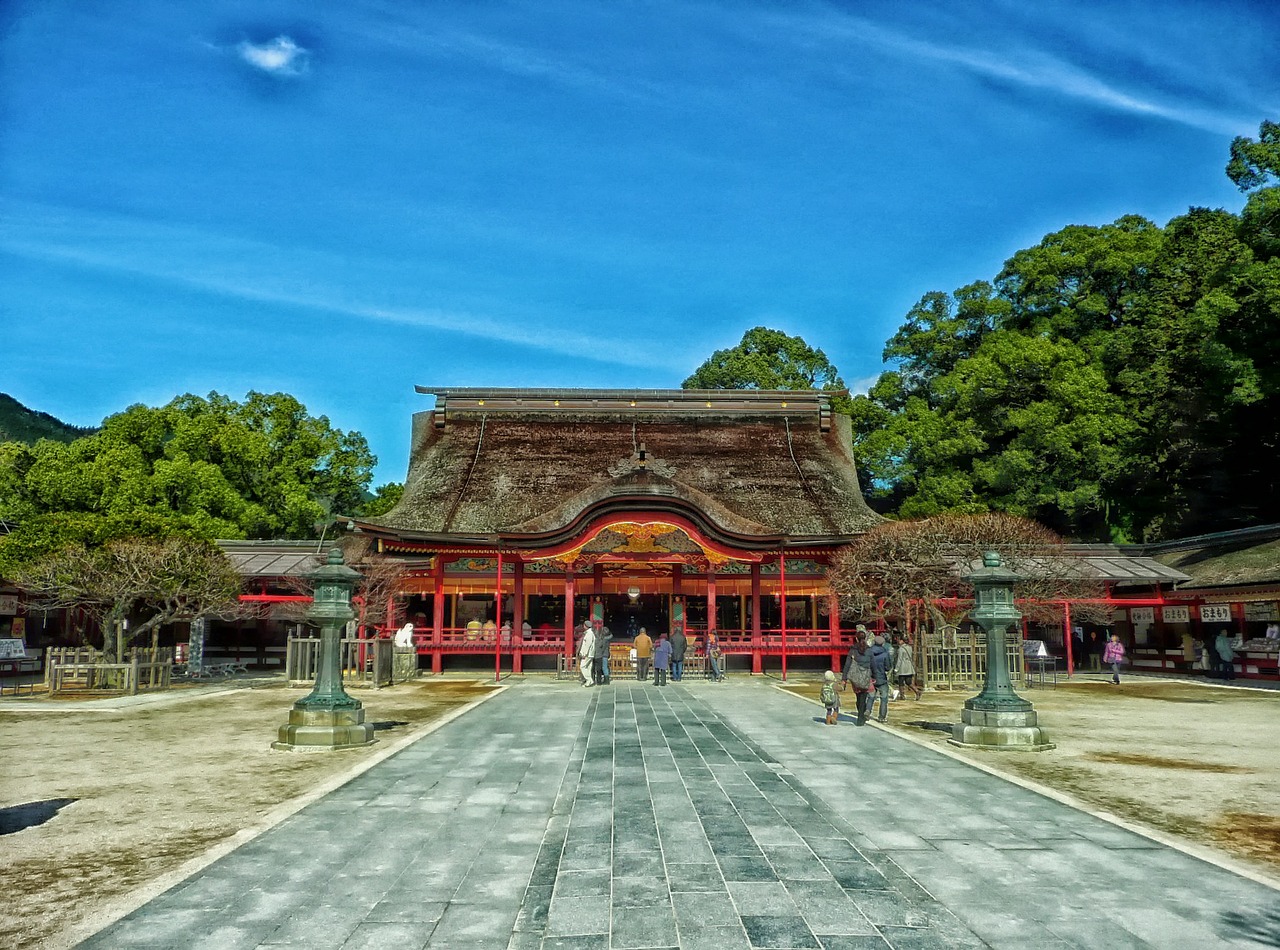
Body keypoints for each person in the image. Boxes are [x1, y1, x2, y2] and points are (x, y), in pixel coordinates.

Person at [842, 638, 872, 725]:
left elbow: (847, 665)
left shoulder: (853, 650)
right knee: (864, 696)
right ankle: (861, 717)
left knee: (859, 697)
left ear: (856, 638)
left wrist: (844, 678)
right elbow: (873, 663)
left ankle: (860, 715)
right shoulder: (869, 650)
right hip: (866, 675)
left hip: (855, 676)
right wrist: (875, 676)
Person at [869, 633, 892, 723]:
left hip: (871, 677)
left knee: (870, 696)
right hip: (882, 677)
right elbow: (888, 667)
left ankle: (867, 712)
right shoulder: (885, 654)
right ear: (882, 643)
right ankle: (882, 716)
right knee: (884, 698)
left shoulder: (869, 652)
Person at [893, 632, 922, 701]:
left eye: (899, 640)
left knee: (901, 682)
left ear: (902, 641)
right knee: (908, 682)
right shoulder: (909, 648)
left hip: (902, 668)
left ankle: (902, 695)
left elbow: (899, 660)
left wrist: (896, 669)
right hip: (909, 667)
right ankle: (917, 691)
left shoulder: (901, 649)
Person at [578, 620, 597, 687]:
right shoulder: (590, 633)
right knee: (588, 667)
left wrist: (584, 653)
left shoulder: (589, 634)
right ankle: (589, 681)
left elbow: (588, 645)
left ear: (586, 626)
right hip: (590, 653)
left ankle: (589, 680)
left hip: (587, 654)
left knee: (582, 667)